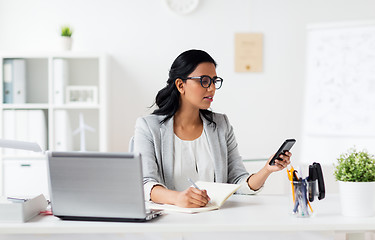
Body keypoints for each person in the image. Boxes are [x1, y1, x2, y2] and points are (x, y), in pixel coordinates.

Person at [134, 49, 291, 208]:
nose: (211, 88)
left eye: (214, 81)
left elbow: (238, 182)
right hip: (170, 222)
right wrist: (178, 198)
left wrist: (267, 170)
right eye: (204, 81)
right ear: (181, 85)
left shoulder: (221, 125)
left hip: (215, 221)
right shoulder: (148, 127)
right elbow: (145, 184)